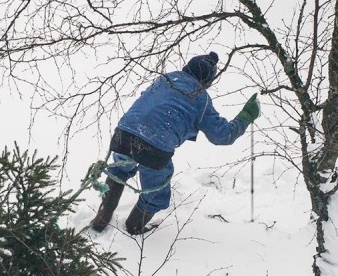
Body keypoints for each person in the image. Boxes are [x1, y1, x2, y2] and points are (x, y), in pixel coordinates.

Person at [91, 51, 260, 235]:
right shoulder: (201, 98)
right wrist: (247, 115)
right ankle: (134, 227)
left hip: (124, 132)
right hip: (154, 147)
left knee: (118, 172)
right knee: (156, 193)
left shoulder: (166, 79)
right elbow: (222, 135)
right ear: (208, 81)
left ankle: (101, 219)